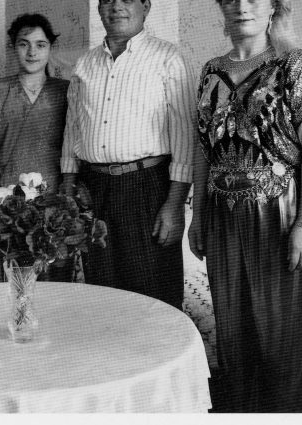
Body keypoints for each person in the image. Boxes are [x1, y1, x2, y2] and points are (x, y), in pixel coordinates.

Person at [188, 0, 302, 412]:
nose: (242, 6)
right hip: (223, 219)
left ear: (273, 7)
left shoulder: (292, 65)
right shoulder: (211, 70)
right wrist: (198, 217)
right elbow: (203, 150)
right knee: (235, 332)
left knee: (284, 336)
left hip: (282, 217)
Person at [60, 0, 197, 308]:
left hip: (147, 187)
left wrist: (175, 205)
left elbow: (185, 137)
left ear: (145, 6)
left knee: (152, 294)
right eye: (108, 0)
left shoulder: (168, 58)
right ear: (99, 9)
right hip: (93, 190)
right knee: (102, 291)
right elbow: (72, 129)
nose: (117, 6)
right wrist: (68, 185)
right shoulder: (85, 64)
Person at [0, 13, 72, 282]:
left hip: (54, 199)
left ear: (50, 48)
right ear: (13, 47)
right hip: (9, 200)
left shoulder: (67, 91)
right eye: (23, 44)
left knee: (55, 283)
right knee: (13, 280)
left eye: (40, 44)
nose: (32, 52)